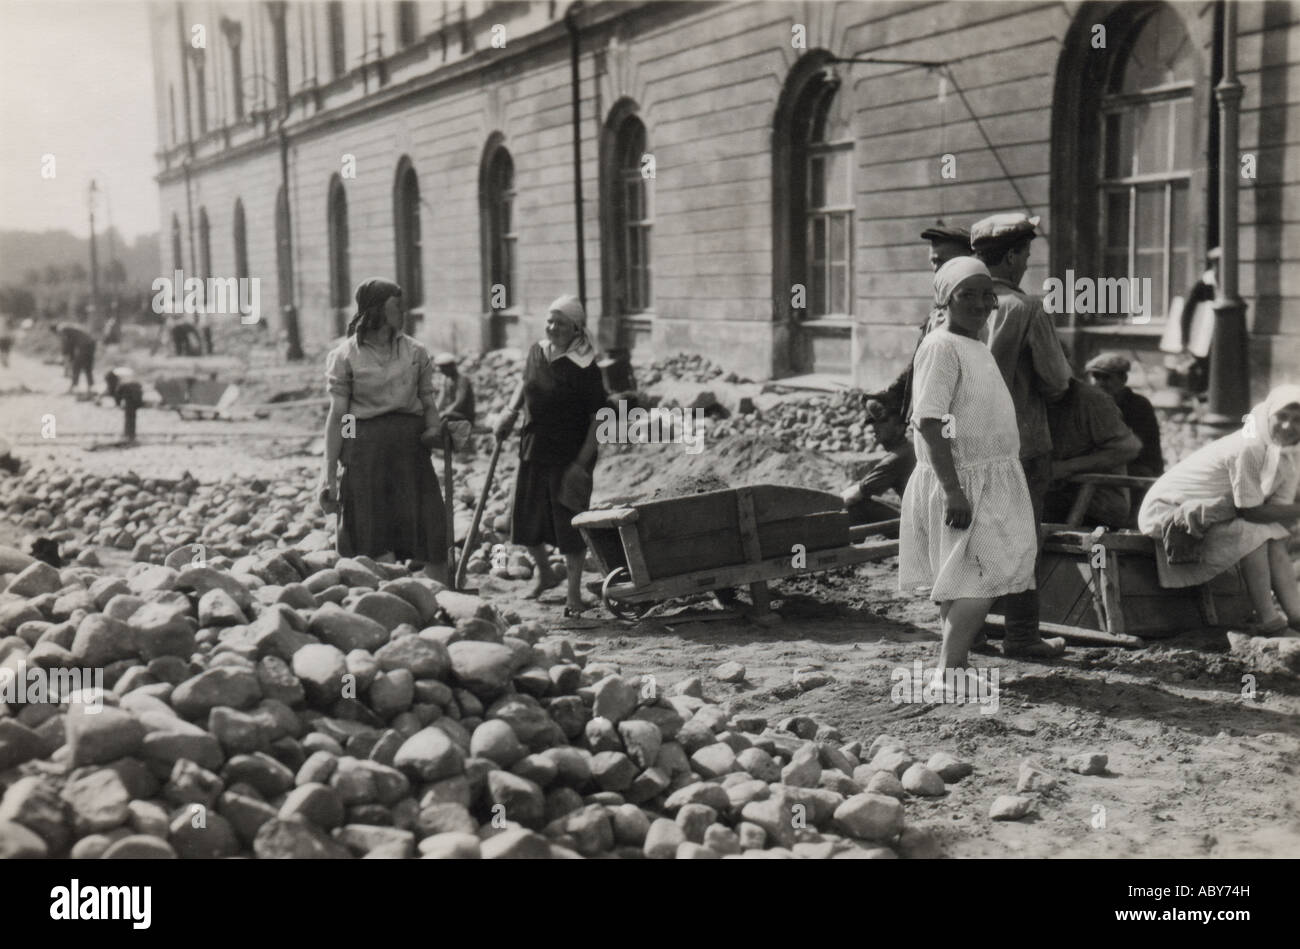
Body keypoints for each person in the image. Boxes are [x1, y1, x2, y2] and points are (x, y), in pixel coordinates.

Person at [899, 258, 1039, 679]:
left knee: (966, 574)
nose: (980, 304)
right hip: (963, 478)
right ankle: (951, 667)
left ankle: (952, 663)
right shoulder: (941, 346)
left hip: (991, 477)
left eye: (985, 295)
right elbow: (928, 421)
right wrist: (952, 490)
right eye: (967, 295)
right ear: (944, 300)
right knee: (986, 571)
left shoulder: (975, 345)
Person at [971, 211, 1073, 657]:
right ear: (1011, 256)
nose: (1028, 263)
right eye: (1027, 254)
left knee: (973, 537)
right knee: (1019, 540)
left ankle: (969, 635)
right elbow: (1056, 381)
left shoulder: (952, 306)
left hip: (968, 446)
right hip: (1020, 445)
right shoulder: (1026, 308)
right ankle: (1023, 636)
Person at [1137, 385, 1300, 635]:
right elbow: (1251, 512)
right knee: (1253, 533)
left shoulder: (1289, 456)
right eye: (1282, 417)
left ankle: (1296, 617)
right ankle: (1269, 621)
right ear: (1268, 414)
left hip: (1216, 511)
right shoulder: (1250, 445)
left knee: (1275, 534)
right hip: (1172, 512)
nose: (1289, 426)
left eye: (1298, 421)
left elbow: (1279, 511)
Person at [319, 278, 449, 583]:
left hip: (410, 448)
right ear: (376, 310)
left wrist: (435, 431)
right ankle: (384, 592)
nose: (403, 312)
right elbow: (340, 416)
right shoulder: (345, 356)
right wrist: (331, 473)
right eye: (396, 306)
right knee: (371, 525)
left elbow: (428, 402)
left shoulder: (415, 352)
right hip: (365, 447)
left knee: (428, 520)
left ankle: (440, 589)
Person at [495, 294, 608, 616]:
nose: (553, 327)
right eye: (550, 320)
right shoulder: (537, 352)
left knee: (569, 526)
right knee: (525, 519)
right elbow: (524, 383)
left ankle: (573, 594)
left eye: (561, 323)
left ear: (576, 328)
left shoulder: (586, 368)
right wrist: (508, 412)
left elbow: (600, 418)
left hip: (568, 455)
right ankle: (544, 573)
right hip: (533, 447)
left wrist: (582, 462)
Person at [877, 221, 972, 418]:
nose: (935, 270)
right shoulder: (940, 308)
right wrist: (892, 394)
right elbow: (919, 362)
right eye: (933, 262)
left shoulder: (978, 314)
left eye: (941, 262)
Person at [1042, 377, 1143, 527]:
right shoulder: (1028, 396)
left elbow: (1129, 448)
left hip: (1095, 504)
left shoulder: (1091, 399)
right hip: (1053, 497)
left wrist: (1066, 467)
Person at [841, 395, 916, 535]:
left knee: (858, 506)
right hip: (926, 521)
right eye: (873, 422)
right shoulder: (908, 448)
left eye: (882, 422)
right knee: (870, 499)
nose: (875, 427)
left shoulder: (898, 457)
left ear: (900, 428)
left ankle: (854, 555)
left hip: (920, 530)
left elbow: (853, 496)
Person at [1084, 352, 1164, 478]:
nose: (1099, 383)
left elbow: (1134, 448)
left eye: (1106, 377)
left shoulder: (1138, 405)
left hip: (1137, 469)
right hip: (1103, 467)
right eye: (1096, 377)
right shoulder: (1090, 405)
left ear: (1123, 379)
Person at [51, 322, 97, 392]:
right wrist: (71, 356)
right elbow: (72, 343)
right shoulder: (68, 326)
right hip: (91, 343)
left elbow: (67, 344)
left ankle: (74, 387)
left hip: (84, 345)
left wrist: (67, 356)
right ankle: (91, 386)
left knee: (76, 366)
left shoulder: (61, 329)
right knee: (87, 366)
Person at [434, 352, 476, 424]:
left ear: (452, 366)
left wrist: (445, 412)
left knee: (444, 417)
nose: (442, 372)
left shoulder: (462, 379)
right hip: (453, 412)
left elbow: (459, 402)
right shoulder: (445, 378)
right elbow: (441, 398)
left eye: (444, 369)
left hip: (465, 415)